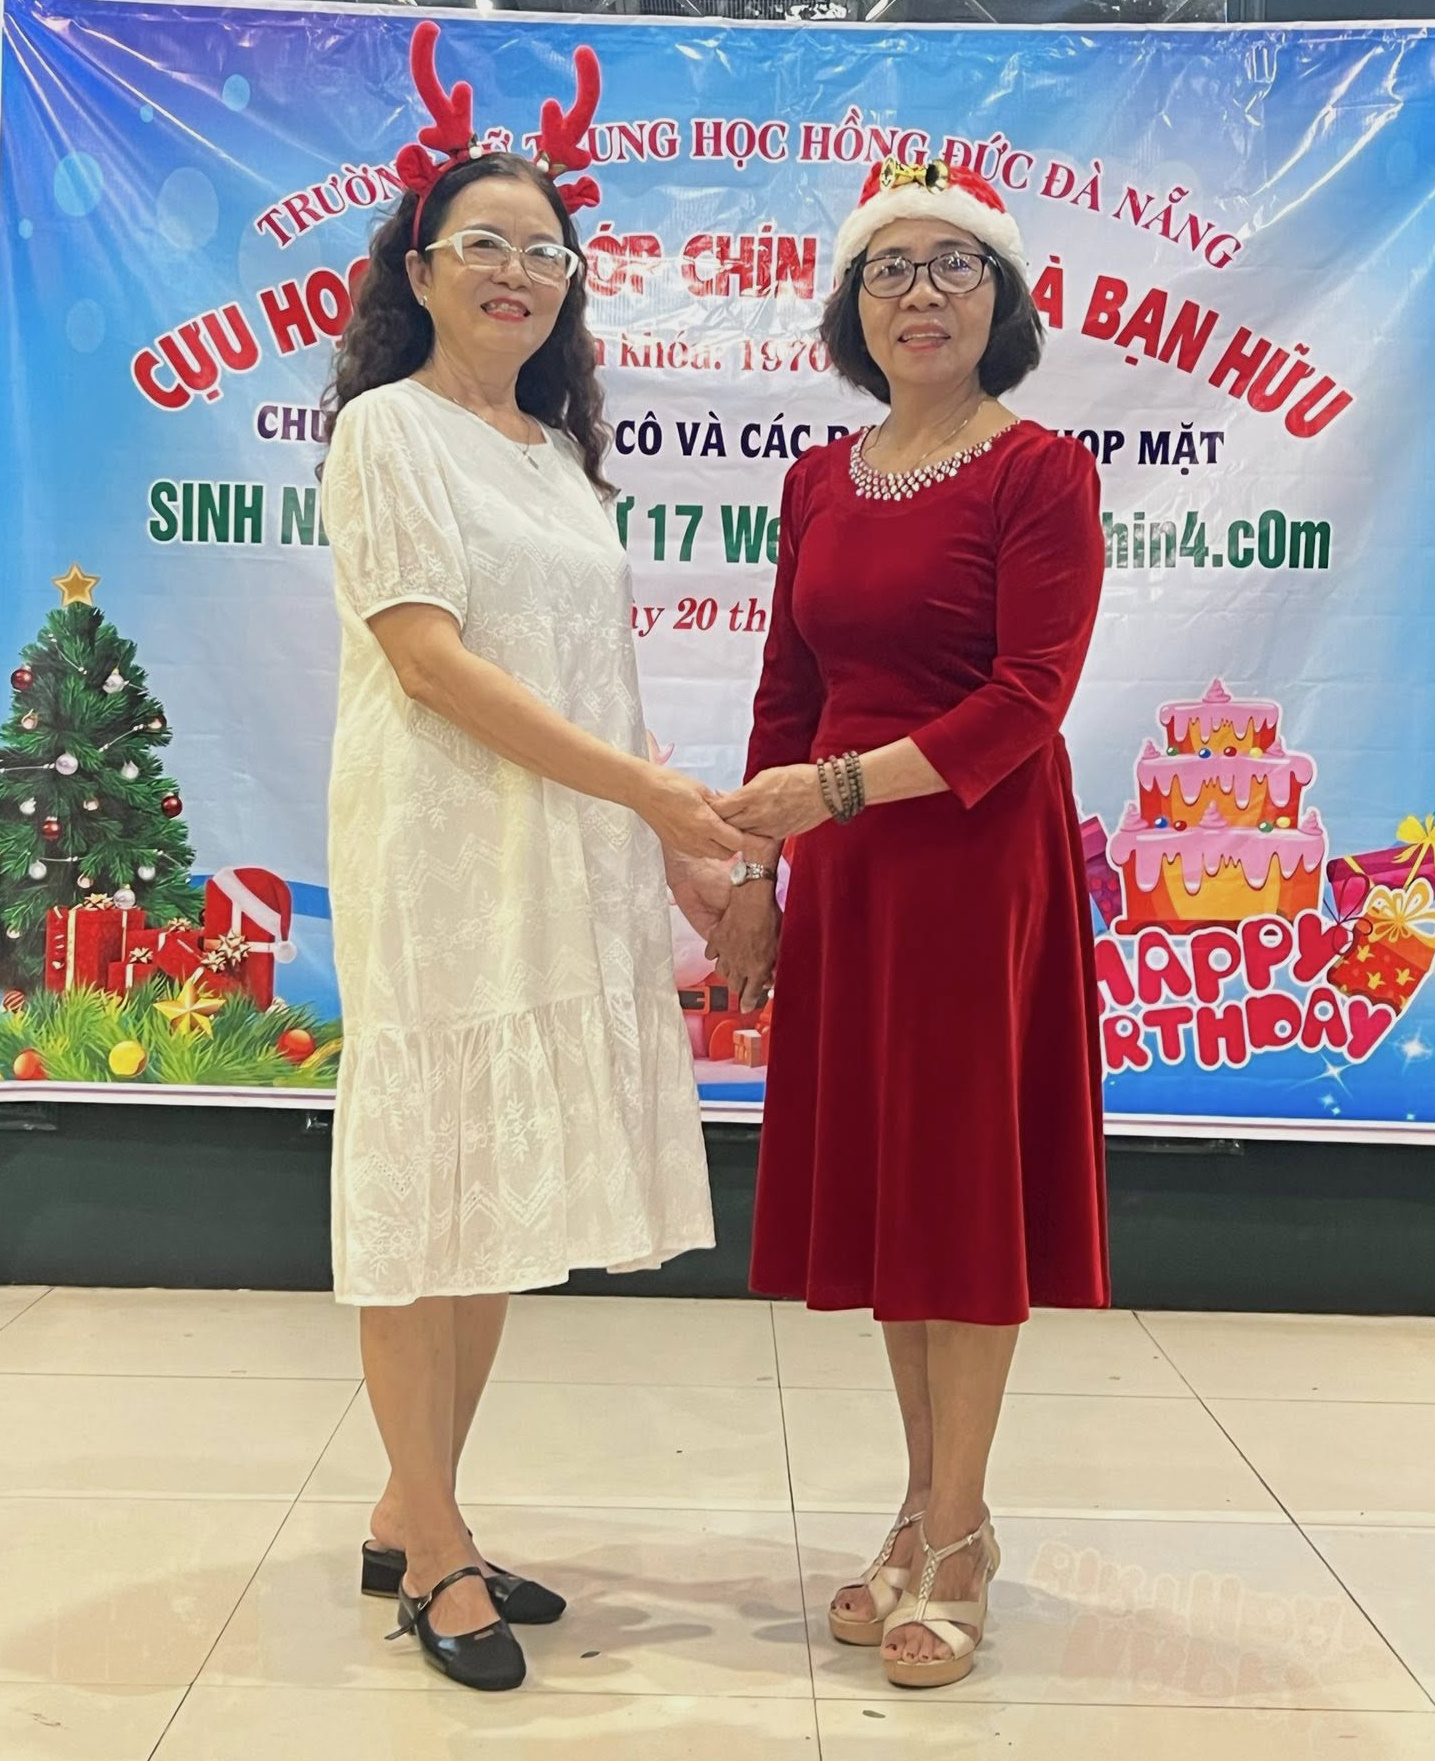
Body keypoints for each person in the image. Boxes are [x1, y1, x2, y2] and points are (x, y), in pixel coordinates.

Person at [320, 25, 725, 1692]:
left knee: (488, 1205)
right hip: (437, 851)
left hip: (553, 854)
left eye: (543, 251)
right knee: (424, 1195)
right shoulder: (385, 431)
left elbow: (592, 674)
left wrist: (664, 840)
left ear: (569, 286)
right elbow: (429, 662)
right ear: (418, 269)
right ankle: (436, 1548)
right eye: (481, 242)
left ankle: (406, 1508)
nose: (515, 272)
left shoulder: (554, 456)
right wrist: (647, 795)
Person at [711, 156, 1110, 1691]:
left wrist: (837, 790)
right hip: (850, 872)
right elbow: (786, 689)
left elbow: (1025, 701)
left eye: (954, 267)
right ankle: (924, 1503)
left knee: (959, 1195)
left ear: (999, 302)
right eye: (889, 269)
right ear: (850, 307)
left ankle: (957, 1531)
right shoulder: (818, 480)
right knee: (893, 1197)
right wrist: (757, 873)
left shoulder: (1040, 473)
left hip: (970, 860)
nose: (920, 295)